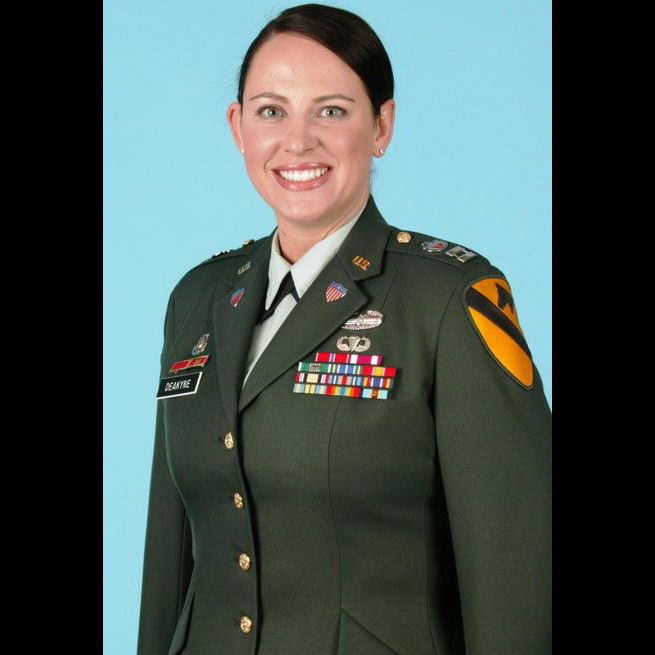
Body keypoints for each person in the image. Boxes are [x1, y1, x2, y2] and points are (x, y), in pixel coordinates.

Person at [137, 4, 551, 655]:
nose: (297, 141)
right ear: (238, 127)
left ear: (381, 125)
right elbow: (169, 557)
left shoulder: (447, 298)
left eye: (330, 110)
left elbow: (517, 562)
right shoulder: (197, 298)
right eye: (271, 111)